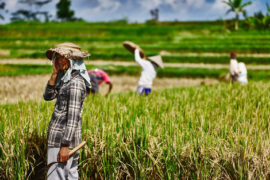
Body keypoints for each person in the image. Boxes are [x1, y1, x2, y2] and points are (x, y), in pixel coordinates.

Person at [43, 43, 91, 180]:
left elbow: (73, 117)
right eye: (56, 58)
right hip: (64, 141)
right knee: (71, 176)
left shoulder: (75, 83)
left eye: (61, 58)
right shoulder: (66, 79)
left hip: (62, 142)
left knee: (56, 177)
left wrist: (65, 146)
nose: (58, 61)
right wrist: (54, 73)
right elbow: (48, 96)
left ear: (72, 60)